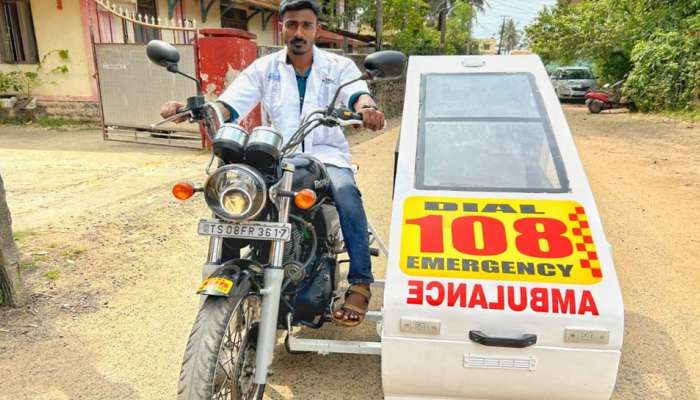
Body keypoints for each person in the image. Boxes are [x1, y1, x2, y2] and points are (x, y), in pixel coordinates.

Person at [160, 0, 385, 327]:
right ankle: (233, 275)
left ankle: (360, 281)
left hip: (326, 155)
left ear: (316, 30)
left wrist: (367, 109)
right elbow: (230, 104)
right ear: (282, 27)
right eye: (291, 24)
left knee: (347, 194)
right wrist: (196, 110)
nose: (298, 32)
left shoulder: (340, 67)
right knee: (244, 196)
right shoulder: (265, 68)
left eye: (306, 25)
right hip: (281, 156)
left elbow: (357, 95)